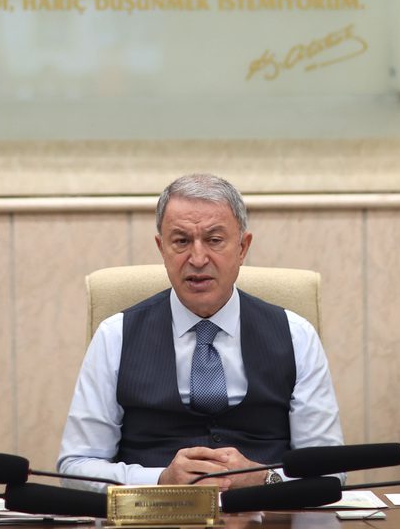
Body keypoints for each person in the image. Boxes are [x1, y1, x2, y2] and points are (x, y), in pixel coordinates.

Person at [57, 173, 343, 490]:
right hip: (154, 519)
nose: (197, 258)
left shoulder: (296, 335)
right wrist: (159, 480)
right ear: (161, 248)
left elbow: (329, 470)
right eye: (181, 241)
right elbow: (76, 467)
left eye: (214, 240)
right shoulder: (115, 336)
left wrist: (264, 478)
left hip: (265, 517)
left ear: (243, 248)